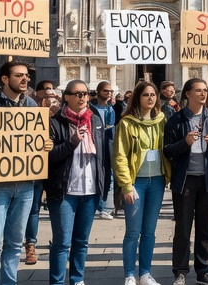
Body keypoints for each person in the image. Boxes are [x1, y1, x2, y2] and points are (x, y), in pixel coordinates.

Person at [0, 61, 51, 285]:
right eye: (19, 76)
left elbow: (37, 140)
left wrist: (45, 145)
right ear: (5, 79)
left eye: (26, 76)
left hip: (24, 185)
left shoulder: (33, 106)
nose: (25, 79)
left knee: (14, 244)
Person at [165, 78, 208, 285]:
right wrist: (185, 142)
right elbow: (168, 149)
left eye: (205, 91)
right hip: (186, 179)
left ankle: (203, 271)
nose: (203, 94)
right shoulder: (176, 119)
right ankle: (180, 271)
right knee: (182, 228)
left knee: (204, 227)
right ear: (188, 94)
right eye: (198, 90)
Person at [46, 81, 107, 285]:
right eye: (77, 94)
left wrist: (103, 186)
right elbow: (50, 156)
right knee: (62, 242)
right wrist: (72, 142)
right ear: (66, 97)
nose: (82, 98)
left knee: (81, 241)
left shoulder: (95, 121)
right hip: (65, 190)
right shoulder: (55, 123)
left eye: (85, 94)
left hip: (90, 189)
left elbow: (104, 156)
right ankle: (57, 281)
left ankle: (77, 279)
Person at [114, 81, 169, 285]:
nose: (150, 98)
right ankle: (129, 274)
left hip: (156, 181)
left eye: (153, 95)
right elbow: (119, 156)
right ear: (138, 97)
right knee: (132, 231)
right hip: (135, 182)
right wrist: (126, 185)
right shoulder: (127, 123)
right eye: (146, 95)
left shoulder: (162, 120)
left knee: (149, 231)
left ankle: (145, 273)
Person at [24, 78, 57, 267]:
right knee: (33, 209)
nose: (49, 93)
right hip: (34, 166)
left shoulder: (58, 112)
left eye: (52, 90)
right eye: (45, 90)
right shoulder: (30, 110)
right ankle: (31, 244)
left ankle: (58, 242)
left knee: (56, 208)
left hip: (53, 167)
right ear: (37, 93)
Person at [91, 81, 117, 221]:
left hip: (108, 144)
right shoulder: (91, 108)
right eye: (106, 91)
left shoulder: (110, 109)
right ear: (99, 91)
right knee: (96, 175)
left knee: (109, 175)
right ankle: (98, 205)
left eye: (110, 91)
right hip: (95, 144)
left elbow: (112, 127)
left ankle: (106, 207)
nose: (108, 94)